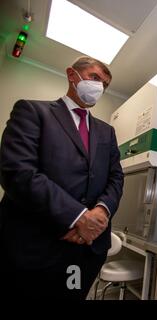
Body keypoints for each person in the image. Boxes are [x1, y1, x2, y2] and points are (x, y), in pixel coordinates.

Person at [0, 56, 124, 300]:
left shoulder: (106, 132)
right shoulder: (33, 111)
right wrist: (77, 217)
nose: (100, 87)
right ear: (72, 74)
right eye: (95, 77)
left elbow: (116, 176)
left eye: (105, 84)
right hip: (35, 245)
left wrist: (101, 211)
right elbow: (17, 171)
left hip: (86, 250)